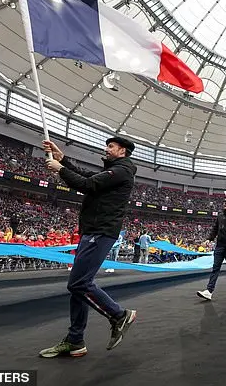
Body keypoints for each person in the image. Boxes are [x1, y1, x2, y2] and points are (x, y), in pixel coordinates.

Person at [39, 137, 137, 358]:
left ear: (122, 151)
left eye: (111, 146)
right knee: (80, 287)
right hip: (92, 231)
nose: (106, 148)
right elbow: (90, 177)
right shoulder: (114, 170)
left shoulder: (122, 170)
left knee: (79, 284)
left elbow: (87, 185)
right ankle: (75, 340)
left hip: (100, 232)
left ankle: (119, 315)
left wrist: (60, 169)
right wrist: (62, 159)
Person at [197, 198, 226, 301]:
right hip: (219, 246)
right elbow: (215, 229)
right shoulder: (220, 215)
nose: (225, 205)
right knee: (215, 268)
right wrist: (209, 239)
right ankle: (209, 291)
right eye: (224, 203)